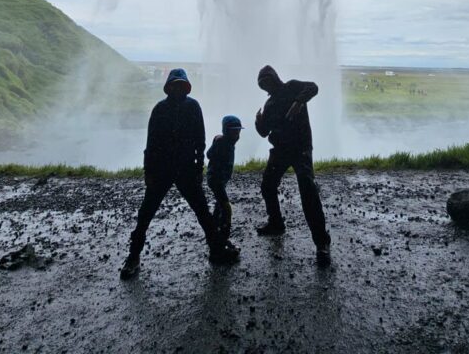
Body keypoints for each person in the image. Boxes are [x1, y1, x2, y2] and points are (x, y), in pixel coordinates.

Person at [120, 68, 239, 279]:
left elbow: (200, 140)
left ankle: (216, 250)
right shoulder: (160, 109)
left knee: (202, 211)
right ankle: (133, 256)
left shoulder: (193, 107)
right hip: (161, 170)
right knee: (145, 214)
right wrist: (148, 171)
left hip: (186, 168)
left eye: (181, 85)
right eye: (175, 84)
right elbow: (151, 142)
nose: (178, 88)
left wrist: (199, 167)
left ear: (185, 86)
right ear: (169, 87)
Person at [254, 65, 332, 266]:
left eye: (267, 82)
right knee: (268, 185)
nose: (265, 87)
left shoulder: (293, 87)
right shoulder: (269, 104)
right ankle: (276, 223)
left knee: (308, 189)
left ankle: (322, 243)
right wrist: (258, 122)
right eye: (262, 85)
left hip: (300, 149)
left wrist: (299, 101)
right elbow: (264, 132)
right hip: (280, 150)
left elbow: (313, 87)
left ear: (275, 78)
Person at [206, 114, 243, 242]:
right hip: (216, 180)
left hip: (221, 180)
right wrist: (216, 142)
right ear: (226, 132)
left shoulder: (229, 142)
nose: (237, 136)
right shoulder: (221, 142)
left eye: (238, 132)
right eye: (234, 132)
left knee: (219, 204)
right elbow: (209, 154)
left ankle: (214, 228)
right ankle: (223, 236)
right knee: (226, 208)